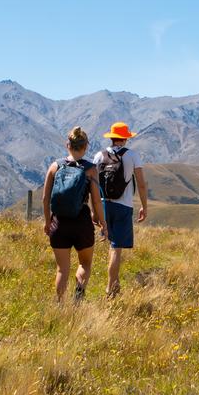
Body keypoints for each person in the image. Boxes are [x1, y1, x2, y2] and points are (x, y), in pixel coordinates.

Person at [42, 127, 106, 302]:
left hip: (59, 222)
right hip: (82, 222)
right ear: (86, 146)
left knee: (62, 269)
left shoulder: (55, 167)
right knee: (85, 263)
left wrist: (48, 222)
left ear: (67, 145)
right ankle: (78, 295)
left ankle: (60, 306)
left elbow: (45, 198)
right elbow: (97, 201)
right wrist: (103, 224)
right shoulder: (91, 169)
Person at [92, 122, 148, 297]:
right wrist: (144, 206)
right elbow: (141, 184)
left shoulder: (98, 156)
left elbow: (93, 185)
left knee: (111, 245)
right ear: (125, 138)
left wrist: (94, 209)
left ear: (112, 137)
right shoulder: (132, 156)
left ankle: (114, 284)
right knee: (116, 248)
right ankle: (111, 288)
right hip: (123, 206)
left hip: (103, 205)